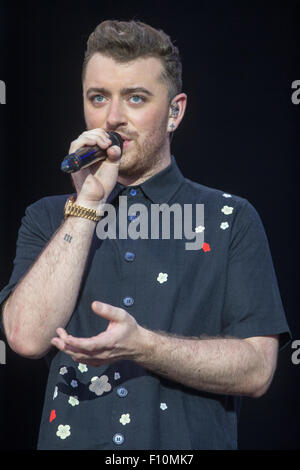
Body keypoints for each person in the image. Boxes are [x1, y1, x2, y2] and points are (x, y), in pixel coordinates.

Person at [0, 20, 290, 450]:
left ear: (175, 111)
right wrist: (87, 205)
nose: (113, 118)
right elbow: (25, 337)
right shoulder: (48, 217)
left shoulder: (231, 218)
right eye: (98, 98)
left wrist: (143, 346)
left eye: (136, 98)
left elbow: (257, 370)